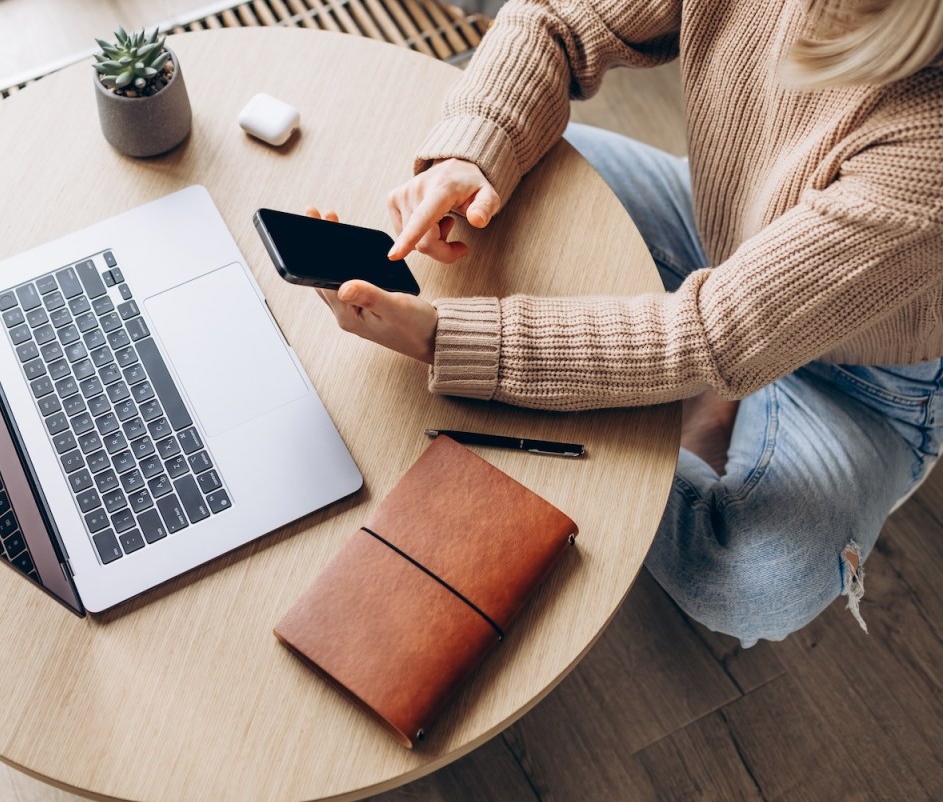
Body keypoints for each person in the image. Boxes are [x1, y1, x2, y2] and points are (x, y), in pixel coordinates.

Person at [314, 0, 943, 647]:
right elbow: (555, 19)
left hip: (852, 379)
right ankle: (618, 405)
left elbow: (710, 333)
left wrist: (446, 340)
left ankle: (597, 416)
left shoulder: (931, 148)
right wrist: (475, 153)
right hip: (719, 230)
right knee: (495, 174)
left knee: (758, 580)